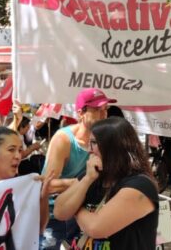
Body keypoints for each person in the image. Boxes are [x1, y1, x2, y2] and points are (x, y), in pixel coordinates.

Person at [54, 117, 159, 250]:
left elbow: (95, 228)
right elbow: (59, 210)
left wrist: (74, 208)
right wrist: (87, 180)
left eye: (93, 143)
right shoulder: (92, 175)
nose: (89, 149)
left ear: (112, 147)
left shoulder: (140, 185)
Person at [40, 88, 115, 249]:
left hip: (87, 213)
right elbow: (47, 184)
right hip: (56, 216)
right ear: (80, 113)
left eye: (105, 110)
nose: (103, 115)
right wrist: (82, 182)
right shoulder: (64, 139)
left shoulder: (107, 140)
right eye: (97, 110)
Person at [0, 126, 52, 233]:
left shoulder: (24, 190)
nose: (18, 156)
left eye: (20, 150)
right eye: (11, 150)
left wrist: (43, 197)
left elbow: (38, 229)